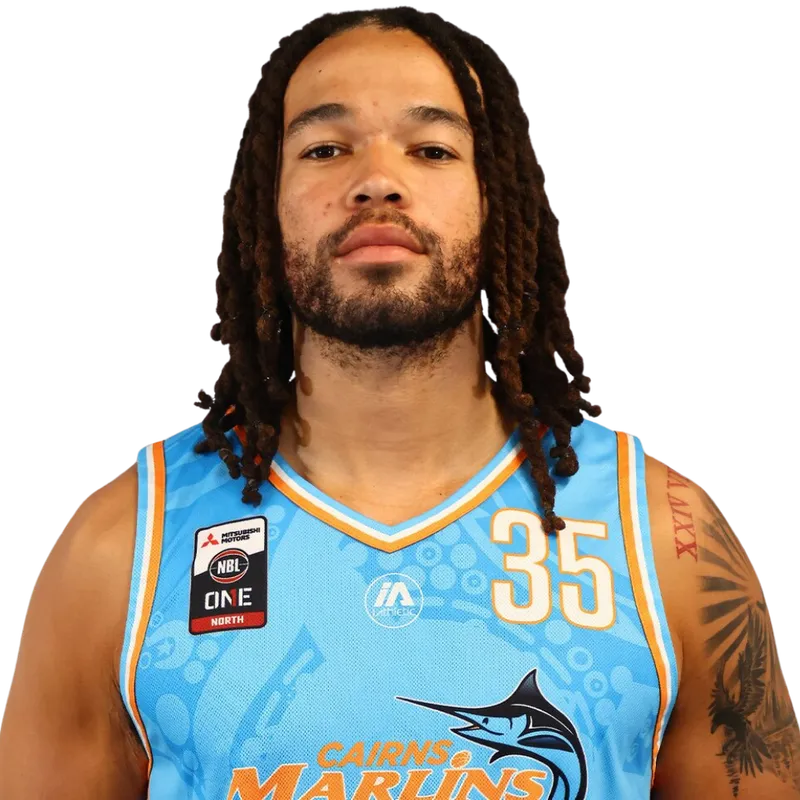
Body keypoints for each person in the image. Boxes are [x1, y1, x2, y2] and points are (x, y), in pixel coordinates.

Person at [1, 7, 796, 799]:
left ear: (497, 198)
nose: (377, 180)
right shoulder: (122, 550)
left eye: (432, 149)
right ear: (265, 206)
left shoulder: (669, 543)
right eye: (325, 148)